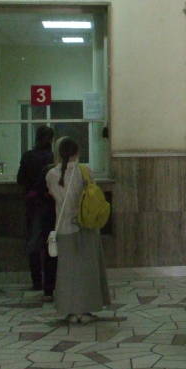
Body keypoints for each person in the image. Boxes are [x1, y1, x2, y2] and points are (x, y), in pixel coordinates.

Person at [46, 137, 111, 323]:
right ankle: (86, 310)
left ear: (58, 153)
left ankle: (71, 311)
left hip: (64, 227)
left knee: (67, 271)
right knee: (87, 270)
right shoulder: (85, 171)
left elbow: (55, 197)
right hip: (86, 225)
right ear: (77, 152)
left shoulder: (51, 174)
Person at [16, 125, 56, 298]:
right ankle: (51, 282)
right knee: (52, 244)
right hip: (51, 204)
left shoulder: (28, 156)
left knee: (34, 243)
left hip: (33, 204)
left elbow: (20, 180)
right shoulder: (54, 158)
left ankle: (36, 280)